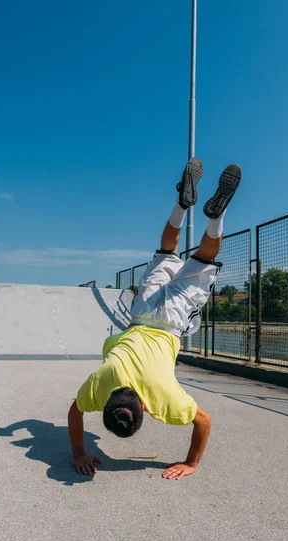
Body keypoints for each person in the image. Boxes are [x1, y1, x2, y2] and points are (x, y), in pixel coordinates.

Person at [68, 159, 241, 480]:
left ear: (145, 408)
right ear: (107, 401)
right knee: (166, 250)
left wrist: (190, 464)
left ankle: (216, 218)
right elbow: (75, 411)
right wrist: (78, 450)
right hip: (140, 314)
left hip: (172, 321)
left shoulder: (163, 397)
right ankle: (180, 204)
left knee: (204, 259)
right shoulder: (101, 381)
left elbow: (204, 421)